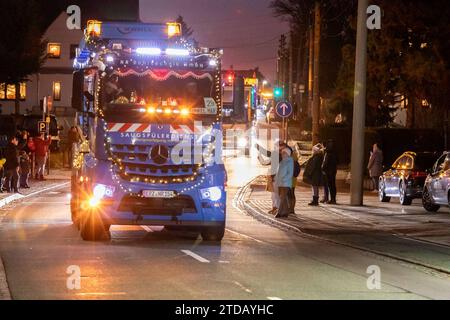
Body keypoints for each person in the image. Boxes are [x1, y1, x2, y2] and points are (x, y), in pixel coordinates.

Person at [275, 147, 294, 218]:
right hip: (280, 182)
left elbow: (290, 173)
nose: (282, 154)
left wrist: (284, 179)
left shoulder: (289, 161)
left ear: (288, 154)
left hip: (286, 183)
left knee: (282, 197)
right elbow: (278, 172)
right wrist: (276, 179)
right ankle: (285, 212)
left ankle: (279, 212)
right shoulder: (282, 161)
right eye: (282, 153)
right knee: (283, 197)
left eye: (284, 153)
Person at [322, 139, 338, 204]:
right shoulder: (335, 153)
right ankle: (333, 199)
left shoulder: (327, 153)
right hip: (333, 171)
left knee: (329, 185)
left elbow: (325, 163)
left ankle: (331, 199)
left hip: (328, 171)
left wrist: (323, 169)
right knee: (333, 185)